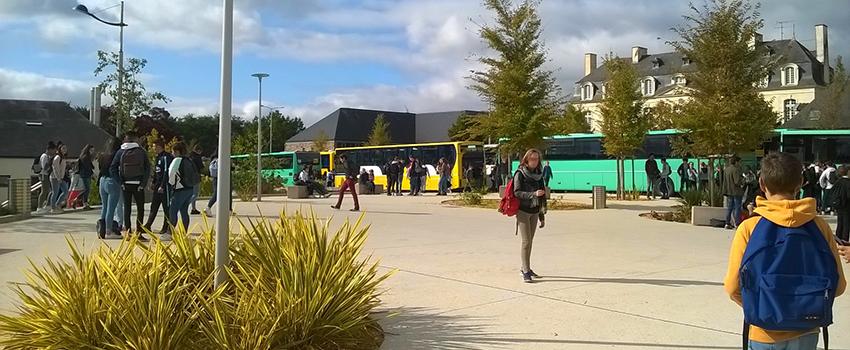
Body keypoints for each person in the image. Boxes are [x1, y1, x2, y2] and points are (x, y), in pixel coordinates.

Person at [723, 152, 845, 350]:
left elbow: (732, 287)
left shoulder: (749, 228)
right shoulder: (819, 226)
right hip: (808, 329)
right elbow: (838, 286)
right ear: (801, 183)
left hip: (764, 332)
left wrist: (764, 307)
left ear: (762, 184)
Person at [513, 149, 548, 283]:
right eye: (532, 159)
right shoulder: (520, 173)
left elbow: (542, 196)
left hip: (534, 211)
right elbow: (517, 192)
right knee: (526, 241)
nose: (534, 161)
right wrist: (532, 194)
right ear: (526, 160)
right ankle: (525, 271)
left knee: (530, 241)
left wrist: (542, 215)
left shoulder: (539, 175)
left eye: (537, 159)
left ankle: (525, 267)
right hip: (523, 210)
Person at [110, 132, 151, 241]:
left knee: (127, 209)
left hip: (125, 184)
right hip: (138, 184)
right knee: (140, 209)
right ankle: (139, 233)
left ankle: (128, 232)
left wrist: (120, 182)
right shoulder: (141, 151)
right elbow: (148, 168)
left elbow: (112, 168)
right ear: (135, 139)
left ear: (126, 139)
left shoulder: (121, 151)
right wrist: (143, 183)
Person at [165, 142, 200, 241]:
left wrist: (171, 184)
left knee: (173, 211)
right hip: (189, 189)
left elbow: (171, 174)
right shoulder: (188, 160)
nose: (172, 153)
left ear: (176, 151)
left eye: (172, 151)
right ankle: (184, 232)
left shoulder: (176, 160)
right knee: (184, 211)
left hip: (179, 189)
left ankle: (169, 232)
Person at [143, 141, 173, 234]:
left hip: (164, 188)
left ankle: (166, 227)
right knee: (154, 206)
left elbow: (166, 172)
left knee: (166, 208)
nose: (153, 149)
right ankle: (148, 225)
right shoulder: (157, 157)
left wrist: (162, 186)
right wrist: (153, 182)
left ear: (160, 146)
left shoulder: (166, 157)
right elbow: (157, 172)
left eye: (154, 147)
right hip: (157, 186)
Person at [97, 138, 123, 239]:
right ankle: (109, 230)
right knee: (111, 208)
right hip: (112, 181)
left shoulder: (102, 155)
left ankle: (102, 228)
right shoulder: (117, 155)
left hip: (102, 180)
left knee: (105, 206)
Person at [722, 156, 744, 229]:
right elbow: (737, 181)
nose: (740, 163)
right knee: (737, 208)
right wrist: (743, 181)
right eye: (739, 162)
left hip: (729, 191)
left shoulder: (727, 170)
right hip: (736, 191)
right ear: (736, 162)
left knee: (729, 208)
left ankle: (727, 223)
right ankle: (737, 224)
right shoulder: (736, 170)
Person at [36, 142, 57, 214]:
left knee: (48, 190)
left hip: (46, 175)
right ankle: (39, 207)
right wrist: (51, 162)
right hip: (43, 175)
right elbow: (45, 167)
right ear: (50, 149)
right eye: (54, 150)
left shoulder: (47, 156)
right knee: (44, 191)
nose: (54, 152)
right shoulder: (44, 156)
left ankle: (46, 205)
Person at [832, 166, 850, 242]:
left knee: (840, 223)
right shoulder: (848, 182)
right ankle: (844, 240)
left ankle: (838, 239)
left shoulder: (837, 182)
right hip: (847, 205)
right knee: (846, 224)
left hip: (838, 204)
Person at [49, 143, 68, 213]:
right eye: (63, 148)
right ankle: (53, 208)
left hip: (61, 178)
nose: (65, 150)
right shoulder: (58, 157)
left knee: (66, 191)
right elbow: (55, 168)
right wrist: (58, 178)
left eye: (65, 148)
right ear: (59, 149)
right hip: (55, 178)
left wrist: (61, 177)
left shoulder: (63, 157)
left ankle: (57, 204)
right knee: (55, 192)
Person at [188, 145, 205, 215]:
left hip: (189, 177)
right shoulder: (197, 157)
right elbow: (201, 166)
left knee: (192, 193)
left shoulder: (189, 156)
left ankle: (193, 208)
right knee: (195, 194)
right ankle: (185, 205)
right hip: (196, 176)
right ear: (198, 150)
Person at [77, 144, 95, 210]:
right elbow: (87, 167)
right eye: (91, 150)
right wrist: (92, 174)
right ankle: (84, 202)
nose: (92, 152)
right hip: (85, 174)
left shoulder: (87, 157)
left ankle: (80, 200)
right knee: (87, 189)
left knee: (87, 189)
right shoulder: (85, 157)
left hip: (86, 174)